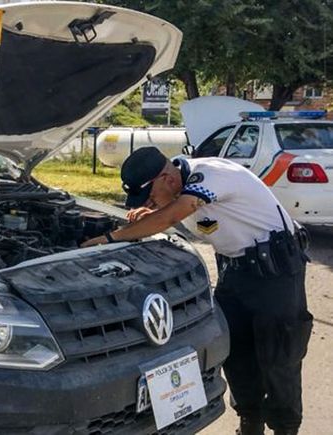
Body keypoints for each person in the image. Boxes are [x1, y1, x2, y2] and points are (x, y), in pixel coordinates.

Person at [82, 148, 313, 435]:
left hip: (276, 275)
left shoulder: (213, 175)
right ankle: (249, 424)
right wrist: (155, 211)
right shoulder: (182, 194)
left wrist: (110, 238)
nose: (151, 204)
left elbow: (181, 211)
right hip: (236, 274)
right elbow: (205, 222)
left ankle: (285, 428)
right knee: (237, 357)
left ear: (167, 178)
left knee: (279, 358)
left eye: (151, 196)